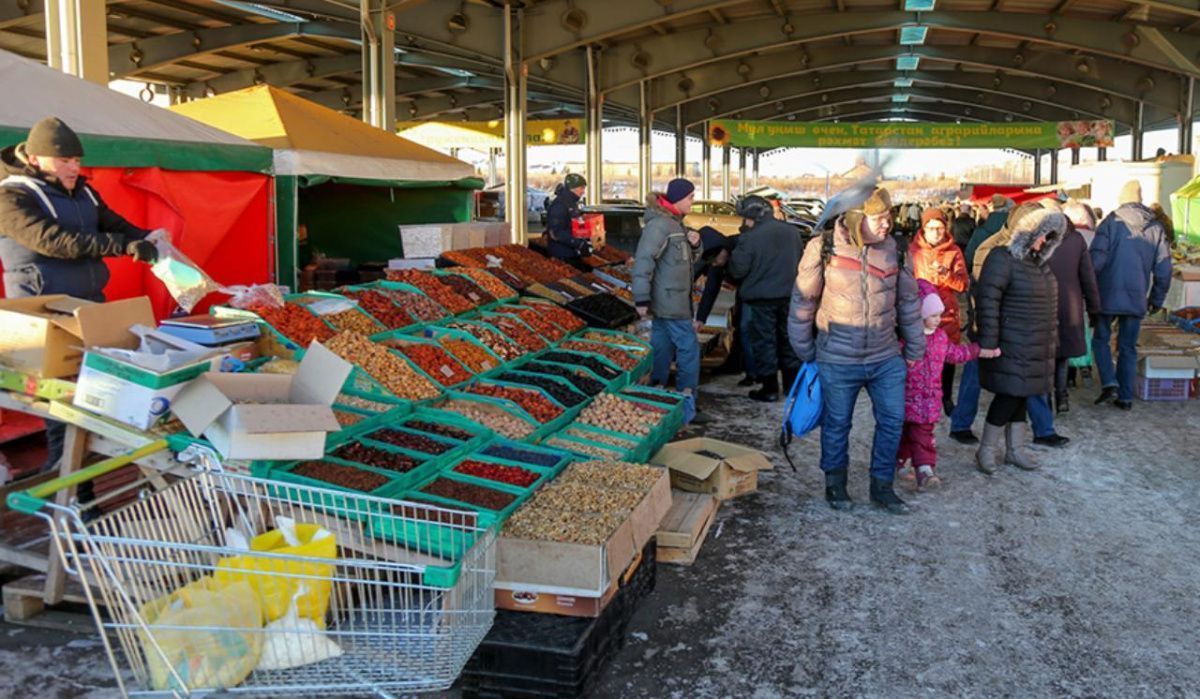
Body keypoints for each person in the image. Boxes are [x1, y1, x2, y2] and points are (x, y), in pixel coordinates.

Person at [0, 116, 160, 489]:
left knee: (92, 388)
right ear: (37, 157)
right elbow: (51, 239)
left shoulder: (84, 192)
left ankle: (73, 466)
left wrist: (150, 240)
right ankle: (69, 476)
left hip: (86, 306)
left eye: (77, 159)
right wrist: (120, 246)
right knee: (58, 393)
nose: (76, 167)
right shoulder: (11, 195)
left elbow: (114, 223)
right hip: (39, 316)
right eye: (66, 160)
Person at [789, 187, 925, 515]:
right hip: (837, 358)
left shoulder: (897, 250)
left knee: (892, 421)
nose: (887, 224)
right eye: (879, 218)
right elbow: (802, 302)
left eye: (889, 217)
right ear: (855, 218)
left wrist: (915, 347)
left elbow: (907, 301)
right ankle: (835, 485)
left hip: (884, 356)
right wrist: (806, 350)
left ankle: (882, 487)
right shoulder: (822, 247)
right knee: (837, 424)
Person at [974, 208, 1065, 474]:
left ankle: (1015, 449)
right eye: (1040, 236)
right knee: (1009, 395)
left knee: (1021, 394)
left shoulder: (1038, 264)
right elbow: (988, 301)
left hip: (1034, 342)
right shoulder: (1002, 258)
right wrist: (989, 342)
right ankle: (986, 449)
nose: (1043, 243)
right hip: (1011, 342)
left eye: (1049, 238)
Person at [948, 200, 1041, 445]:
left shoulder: (989, 240)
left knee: (985, 374)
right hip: (999, 323)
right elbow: (986, 291)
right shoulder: (995, 248)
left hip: (998, 321)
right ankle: (963, 424)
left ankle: (963, 424)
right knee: (980, 371)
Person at [1090, 181, 1173, 410]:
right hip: (1137, 297)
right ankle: (1125, 397)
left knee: (1100, 340)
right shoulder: (1155, 228)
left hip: (1107, 295)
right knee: (1128, 347)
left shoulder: (1110, 223)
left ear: (1122, 198)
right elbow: (1164, 269)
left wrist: (1087, 288)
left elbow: (1096, 260)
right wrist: (1156, 299)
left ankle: (1109, 381)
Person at [1026, 203, 1100, 446]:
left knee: (1045, 354)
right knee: (1062, 355)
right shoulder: (1076, 239)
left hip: (1041, 302)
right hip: (1070, 304)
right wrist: (1094, 308)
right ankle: (1063, 396)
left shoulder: (1038, 238)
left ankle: (1045, 400)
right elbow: (1088, 277)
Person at [897, 281, 981, 490]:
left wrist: (977, 350)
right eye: (933, 315)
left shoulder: (940, 338)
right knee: (906, 434)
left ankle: (922, 468)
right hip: (906, 398)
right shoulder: (904, 341)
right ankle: (911, 465)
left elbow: (955, 354)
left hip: (929, 400)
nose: (938, 320)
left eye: (939, 315)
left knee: (922, 435)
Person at [633, 178, 704, 422]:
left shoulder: (675, 224)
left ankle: (657, 395)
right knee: (689, 349)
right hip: (670, 301)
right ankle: (687, 403)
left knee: (661, 347)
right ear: (678, 198)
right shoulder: (661, 226)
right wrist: (641, 298)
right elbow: (644, 261)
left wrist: (695, 246)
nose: (693, 202)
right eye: (690, 197)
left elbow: (681, 261)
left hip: (670, 299)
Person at [727, 195, 805, 402]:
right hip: (789, 296)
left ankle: (769, 389)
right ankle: (792, 386)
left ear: (751, 217)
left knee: (764, 342)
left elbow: (737, 270)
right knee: (788, 340)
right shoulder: (792, 232)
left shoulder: (749, 238)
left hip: (761, 299)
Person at [910, 208, 969, 416]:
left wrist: (946, 274)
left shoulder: (954, 252)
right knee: (920, 356)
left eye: (940, 228)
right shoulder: (913, 251)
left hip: (946, 313)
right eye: (931, 228)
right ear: (924, 229)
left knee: (947, 356)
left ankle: (946, 396)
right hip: (920, 313)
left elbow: (963, 284)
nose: (936, 233)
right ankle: (920, 394)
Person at [544, 173, 590, 262]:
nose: (583, 191)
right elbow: (556, 232)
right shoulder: (560, 205)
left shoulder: (571, 203)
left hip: (571, 252)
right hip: (562, 255)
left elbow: (572, 224)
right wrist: (577, 243)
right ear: (573, 188)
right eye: (582, 188)